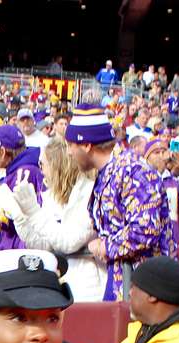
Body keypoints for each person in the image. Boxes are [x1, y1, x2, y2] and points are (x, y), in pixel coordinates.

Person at [66, 103, 171, 301]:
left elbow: (145, 230)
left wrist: (106, 246)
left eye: (71, 145)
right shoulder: (109, 171)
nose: (69, 153)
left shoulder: (133, 171)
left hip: (148, 291)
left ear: (86, 145)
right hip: (123, 282)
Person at [0, 136, 105, 301]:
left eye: (43, 164)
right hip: (62, 285)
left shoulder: (89, 192)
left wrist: (33, 212)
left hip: (89, 287)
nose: (41, 171)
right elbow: (42, 244)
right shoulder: (51, 197)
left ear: (57, 165)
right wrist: (19, 216)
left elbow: (69, 241)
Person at [0, 124, 44, 251]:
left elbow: (6, 219)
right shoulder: (22, 169)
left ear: (3, 151)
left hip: (21, 251)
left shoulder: (24, 173)